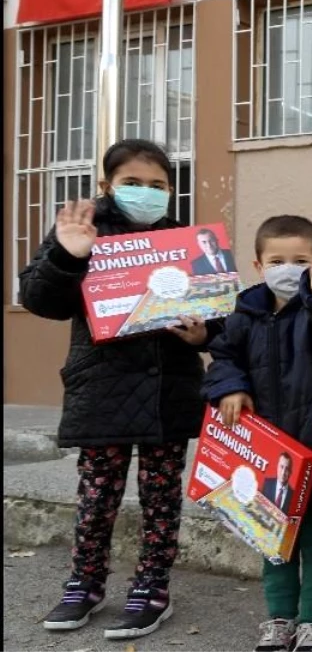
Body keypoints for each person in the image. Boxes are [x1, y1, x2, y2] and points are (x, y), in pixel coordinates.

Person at [19, 138, 221, 641]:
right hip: (103, 386)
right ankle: (84, 584)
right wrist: (69, 255)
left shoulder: (185, 239)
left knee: (161, 494)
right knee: (97, 493)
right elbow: (40, 299)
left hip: (168, 389)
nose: (146, 193)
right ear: (107, 185)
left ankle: (152, 587)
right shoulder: (83, 231)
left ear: (171, 191)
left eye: (158, 185)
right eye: (133, 183)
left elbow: (217, 316)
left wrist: (205, 335)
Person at [202, 214, 312, 652]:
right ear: (258, 265)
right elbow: (222, 356)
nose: (287, 268)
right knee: (273, 543)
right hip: (262, 456)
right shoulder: (245, 311)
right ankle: (279, 620)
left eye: (299, 260)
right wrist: (230, 386)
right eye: (277, 259)